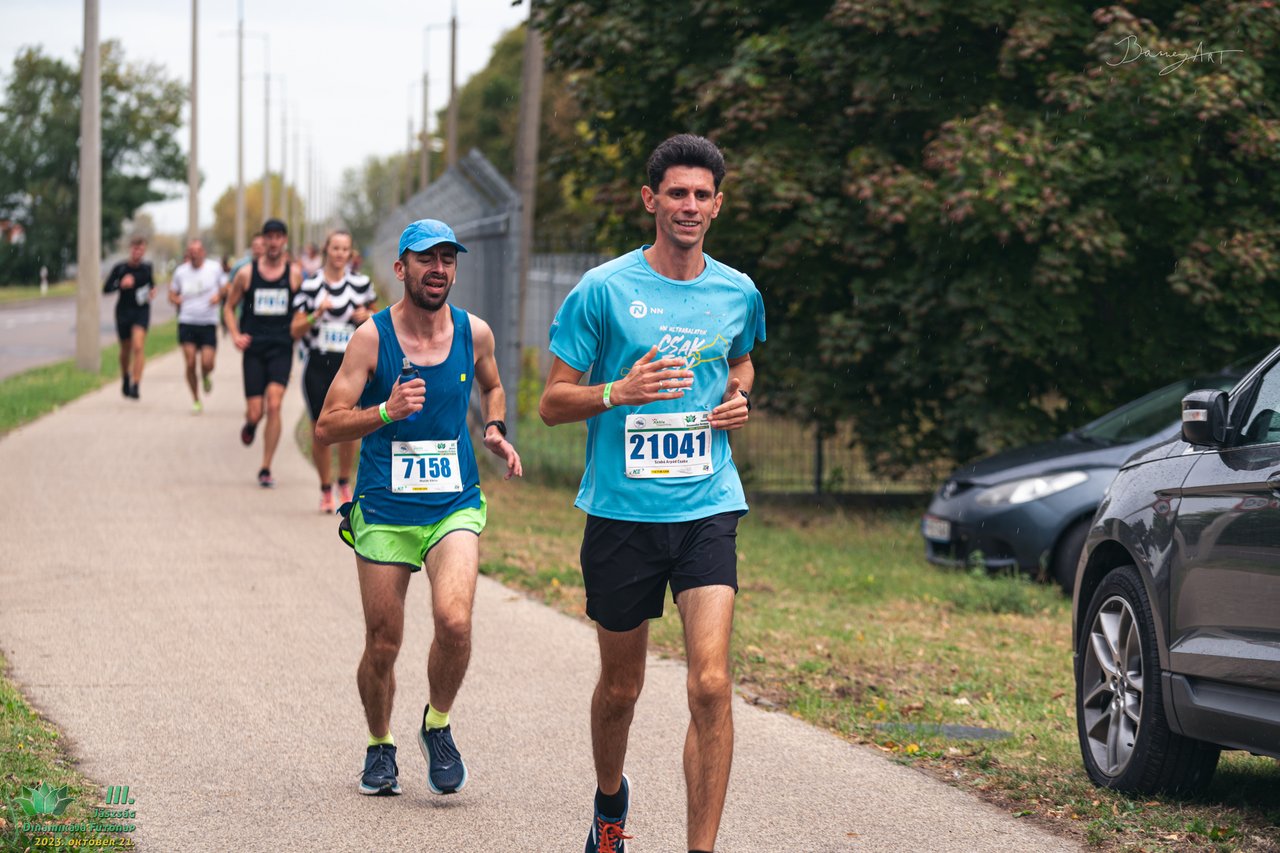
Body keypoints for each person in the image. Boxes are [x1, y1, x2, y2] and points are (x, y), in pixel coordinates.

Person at [539, 134, 766, 853]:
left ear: (718, 205)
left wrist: (738, 396)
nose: (689, 205)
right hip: (621, 514)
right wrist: (619, 390)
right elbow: (551, 401)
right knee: (621, 688)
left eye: (702, 194)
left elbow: (744, 362)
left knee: (710, 682)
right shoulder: (603, 290)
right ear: (651, 200)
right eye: (677, 193)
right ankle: (611, 805)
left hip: (707, 503)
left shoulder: (738, 290)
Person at [314, 218, 522, 798]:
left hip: (452, 502)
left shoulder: (473, 332)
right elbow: (328, 425)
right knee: (384, 642)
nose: (439, 270)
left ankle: (437, 722)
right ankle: (380, 744)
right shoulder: (371, 339)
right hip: (383, 508)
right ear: (400, 268)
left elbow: (493, 386)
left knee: (454, 621)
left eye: (448, 260)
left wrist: (496, 427)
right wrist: (385, 411)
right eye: (426, 259)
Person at [290, 229, 378, 512]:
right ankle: (325, 488)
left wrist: (369, 316)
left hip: (352, 364)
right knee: (321, 428)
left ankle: (343, 481)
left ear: (350, 254)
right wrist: (317, 313)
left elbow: (384, 322)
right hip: (318, 362)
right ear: (326, 250)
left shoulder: (362, 284)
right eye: (335, 248)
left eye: (345, 249)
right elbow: (295, 328)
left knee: (350, 424)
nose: (340, 254)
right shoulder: (311, 285)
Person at [223, 219, 302, 487]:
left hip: (281, 347)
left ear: (284, 241)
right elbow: (228, 307)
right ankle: (251, 425)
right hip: (254, 349)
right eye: (269, 236)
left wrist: (301, 330)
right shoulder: (246, 273)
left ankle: (266, 466)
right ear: (263, 241)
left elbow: (303, 309)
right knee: (256, 412)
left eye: (279, 236)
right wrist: (235, 334)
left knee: (275, 404)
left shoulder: (294, 274)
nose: (274, 241)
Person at [169, 239, 225, 413]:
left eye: (197, 250)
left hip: (208, 322)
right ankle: (196, 399)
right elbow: (172, 293)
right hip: (187, 321)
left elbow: (226, 287)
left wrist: (219, 297)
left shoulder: (214, 268)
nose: (194, 253)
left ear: (203, 252)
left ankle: (206, 375)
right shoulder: (181, 272)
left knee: (207, 363)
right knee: (191, 362)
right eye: (191, 251)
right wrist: (176, 299)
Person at [102, 236, 155, 399]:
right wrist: (121, 284)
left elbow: (151, 285)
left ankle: (136, 384)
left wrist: (152, 292)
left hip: (141, 311)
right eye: (135, 249)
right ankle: (125, 376)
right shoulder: (120, 268)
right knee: (126, 349)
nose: (137, 252)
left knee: (138, 346)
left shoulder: (147, 268)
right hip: (124, 312)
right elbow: (106, 289)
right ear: (130, 249)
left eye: (141, 249)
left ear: (144, 251)